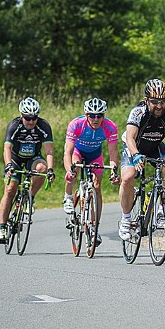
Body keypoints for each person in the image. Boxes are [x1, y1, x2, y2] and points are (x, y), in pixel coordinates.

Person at [117, 79, 165, 241]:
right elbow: (130, 138)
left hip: (155, 146)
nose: (159, 106)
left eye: (162, 102)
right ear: (146, 100)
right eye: (154, 102)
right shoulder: (138, 112)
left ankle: (161, 210)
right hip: (134, 147)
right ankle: (125, 219)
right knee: (128, 177)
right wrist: (137, 155)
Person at [63, 97, 121, 247]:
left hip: (95, 155)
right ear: (86, 114)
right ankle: (68, 197)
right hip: (78, 152)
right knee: (74, 168)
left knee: (96, 187)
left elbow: (113, 153)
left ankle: (94, 227)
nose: (96, 119)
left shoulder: (110, 127)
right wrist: (69, 170)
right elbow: (67, 152)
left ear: (104, 115)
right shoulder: (76, 124)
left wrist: (114, 172)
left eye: (99, 115)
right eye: (92, 115)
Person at [0, 97, 55, 242]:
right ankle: (2, 226)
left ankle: (30, 198)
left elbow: (49, 151)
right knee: (10, 189)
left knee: (42, 168)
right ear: (21, 116)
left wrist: (51, 170)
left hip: (33, 158)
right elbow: (7, 148)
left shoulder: (43, 126)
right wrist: (8, 165)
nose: (31, 122)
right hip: (16, 159)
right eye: (28, 118)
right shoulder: (14, 125)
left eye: (34, 118)